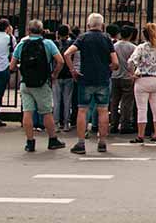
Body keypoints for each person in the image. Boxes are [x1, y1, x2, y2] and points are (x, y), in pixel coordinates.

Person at [63, 13, 119, 154]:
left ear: (88, 25)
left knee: (82, 110)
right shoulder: (107, 39)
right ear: (102, 25)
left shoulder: (83, 37)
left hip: (86, 78)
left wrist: (73, 70)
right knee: (103, 111)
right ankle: (102, 143)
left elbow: (66, 54)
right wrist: (108, 69)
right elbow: (116, 62)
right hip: (102, 79)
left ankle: (81, 144)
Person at [9, 19, 66, 152]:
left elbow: (12, 65)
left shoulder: (22, 44)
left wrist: (22, 69)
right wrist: (54, 74)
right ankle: (52, 139)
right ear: (42, 31)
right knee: (46, 112)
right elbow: (60, 61)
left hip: (26, 83)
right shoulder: (48, 43)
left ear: (28, 30)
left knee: (27, 112)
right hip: (42, 83)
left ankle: (30, 142)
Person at [109, 25, 137, 134]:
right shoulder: (133, 47)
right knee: (127, 102)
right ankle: (125, 124)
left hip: (115, 76)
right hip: (127, 76)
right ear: (130, 35)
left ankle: (114, 124)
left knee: (114, 102)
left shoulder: (114, 46)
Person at [53, 25, 76, 132]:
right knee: (67, 101)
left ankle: (56, 123)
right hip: (68, 74)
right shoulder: (72, 44)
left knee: (56, 101)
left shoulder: (55, 44)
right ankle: (66, 123)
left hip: (57, 74)